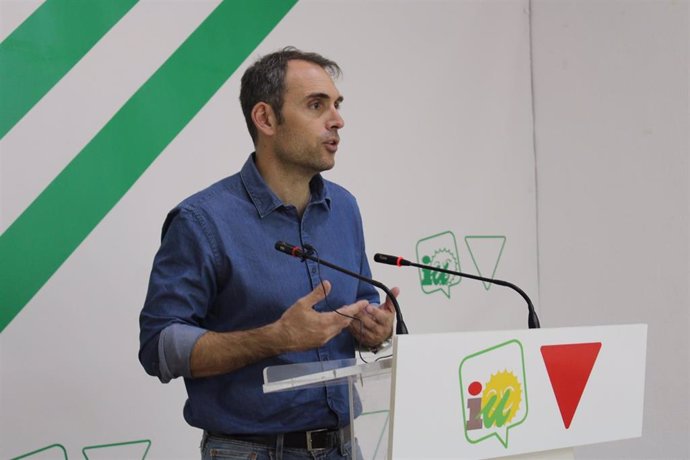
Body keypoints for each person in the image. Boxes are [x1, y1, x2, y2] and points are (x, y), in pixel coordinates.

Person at [138, 47, 398, 460]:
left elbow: (361, 300)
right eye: (317, 105)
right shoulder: (202, 220)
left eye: (337, 105)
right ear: (266, 119)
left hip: (345, 446)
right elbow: (160, 347)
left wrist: (374, 326)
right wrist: (272, 338)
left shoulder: (344, 208)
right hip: (253, 452)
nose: (338, 120)